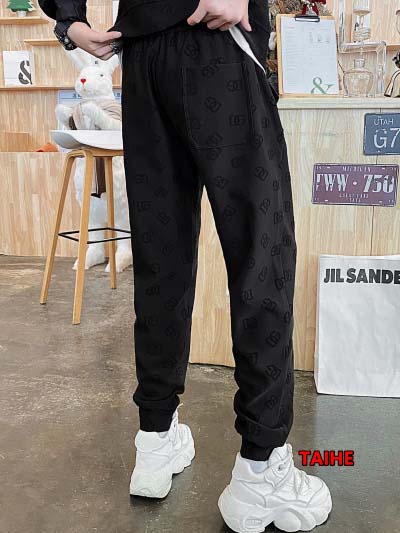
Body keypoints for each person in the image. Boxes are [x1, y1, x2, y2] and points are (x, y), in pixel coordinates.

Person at [38, 1, 332, 531]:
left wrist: (69, 18)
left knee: (160, 258)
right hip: (217, 41)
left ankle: (155, 438)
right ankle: (262, 467)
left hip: (145, 62)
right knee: (261, 255)